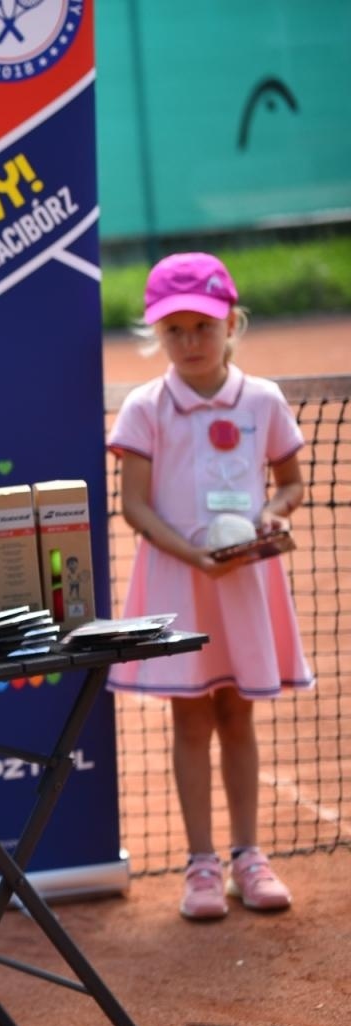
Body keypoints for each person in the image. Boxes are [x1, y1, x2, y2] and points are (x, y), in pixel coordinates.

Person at [107, 251, 313, 921]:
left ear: (232, 324)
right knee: (191, 717)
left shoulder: (264, 400)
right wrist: (196, 558)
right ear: (156, 335)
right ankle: (201, 865)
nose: (190, 342)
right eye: (175, 331)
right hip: (179, 580)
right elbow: (134, 506)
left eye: (203, 326)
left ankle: (247, 859)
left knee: (238, 715)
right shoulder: (144, 407)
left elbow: (290, 481)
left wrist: (268, 521)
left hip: (247, 583)